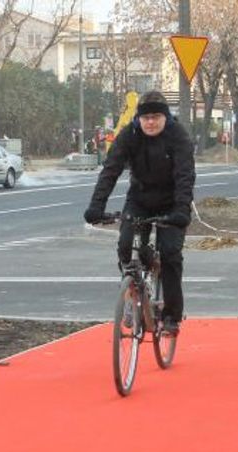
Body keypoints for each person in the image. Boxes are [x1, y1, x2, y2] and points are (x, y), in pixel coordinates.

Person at [84, 91, 195, 334]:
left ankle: (171, 316)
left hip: (172, 202)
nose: (151, 122)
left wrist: (181, 211)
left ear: (165, 117)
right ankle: (132, 294)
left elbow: (185, 177)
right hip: (140, 199)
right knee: (126, 246)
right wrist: (96, 207)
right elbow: (110, 171)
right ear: (138, 119)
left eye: (156, 116)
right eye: (145, 117)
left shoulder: (178, 136)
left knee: (170, 253)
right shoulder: (129, 136)